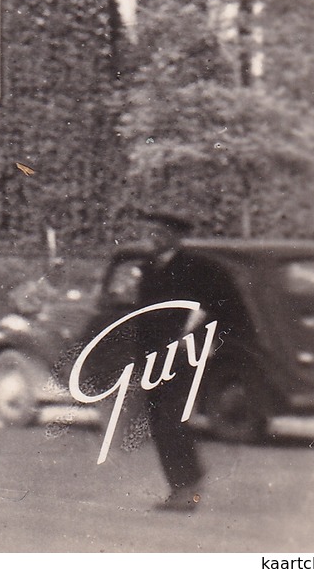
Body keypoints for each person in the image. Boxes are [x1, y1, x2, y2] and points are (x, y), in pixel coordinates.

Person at [134, 210, 227, 513]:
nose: (153, 238)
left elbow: (215, 306)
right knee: (159, 422)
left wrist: (200, 337)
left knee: (173, 419)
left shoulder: (198, 267)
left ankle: (189, 487)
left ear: (176, 236)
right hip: (152, 356)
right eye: (151, 232)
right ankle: (179, 486)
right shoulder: (147, 269)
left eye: (160, 233)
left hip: (184, 354)